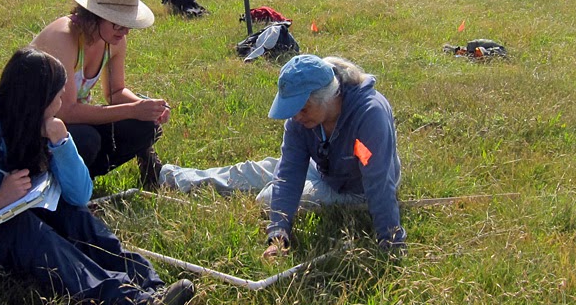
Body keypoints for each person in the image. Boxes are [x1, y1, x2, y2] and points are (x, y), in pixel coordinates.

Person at [0, 48, 194, 305]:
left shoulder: (32, 132)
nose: (61, 106)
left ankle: (150, 285)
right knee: (20, 228)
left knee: (68, 210)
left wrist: (62, 143)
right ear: (35, 104)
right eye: (57, 98)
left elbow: (79, 195)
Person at [160, 54, 406, 258]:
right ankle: (170, 175)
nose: (296, 117)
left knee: (266, 198)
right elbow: (289, 172)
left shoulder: (369, 115)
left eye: (302, 108)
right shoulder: (303, 119)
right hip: (323, 167)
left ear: (327, 97)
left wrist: (390, 240)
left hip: (356, 188)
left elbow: (378, 181)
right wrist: (278, 235)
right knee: (252, 171)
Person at [30, 0, 170, 188]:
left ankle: (88, 179)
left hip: (73, 124)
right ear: (96, 16)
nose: (125, 32)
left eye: (128, 24)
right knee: (86, 139)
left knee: (144, 126)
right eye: (118, 23)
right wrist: (134, 110)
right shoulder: (63, 38)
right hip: (36, 131)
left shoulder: (113, 40)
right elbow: (65, 111)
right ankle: (54, 188)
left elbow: (115, 92)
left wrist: (146, 109)